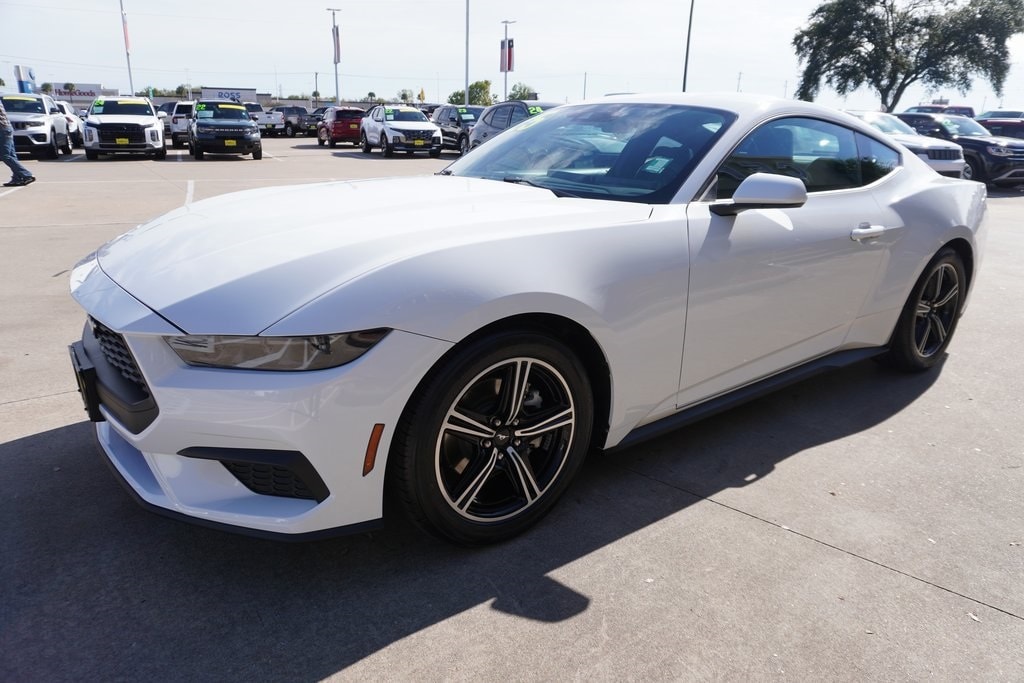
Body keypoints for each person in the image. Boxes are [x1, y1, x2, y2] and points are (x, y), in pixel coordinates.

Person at [0, 99, 35, 187]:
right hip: (6, 128)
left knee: (5, 155)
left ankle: (26, 175)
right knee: (11, 156)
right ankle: (17, 178)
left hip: (3, 129)